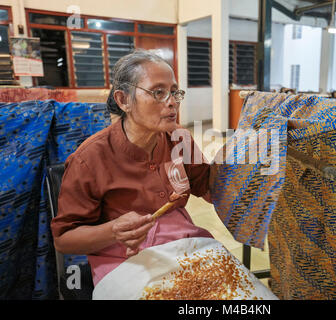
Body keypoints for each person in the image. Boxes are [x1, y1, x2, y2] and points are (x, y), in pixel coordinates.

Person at [50, 50, 214, 287]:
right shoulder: (89, 159)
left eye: (175, 92)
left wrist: (240, 166)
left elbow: (207, 187)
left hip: (184, 245)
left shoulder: (180, 139)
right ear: (123, 100)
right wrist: (113, 230)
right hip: (125, 260)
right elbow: (64, 240)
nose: (172, 102)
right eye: (158, 92)